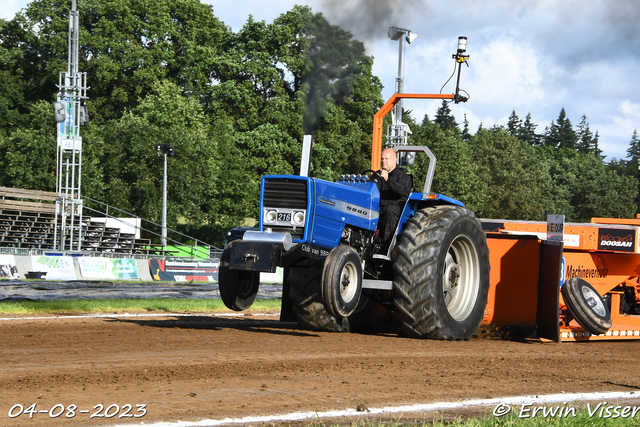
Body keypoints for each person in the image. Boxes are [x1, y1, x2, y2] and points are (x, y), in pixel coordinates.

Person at [376, 148, 412, 250]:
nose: (383, 161)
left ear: (395, 160)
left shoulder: (404, 175)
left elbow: (402, 191)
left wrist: (388, 179)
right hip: (378, 207)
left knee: (390, 210)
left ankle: (386, 247)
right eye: (382, 159)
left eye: (386, 159)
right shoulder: (377, 175)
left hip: (397, 209)